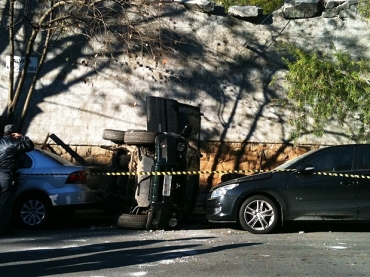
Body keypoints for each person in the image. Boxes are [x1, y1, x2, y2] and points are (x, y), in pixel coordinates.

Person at [0, 124, 34, 236]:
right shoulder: (14, 144)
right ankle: (3, 227)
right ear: (13, 133)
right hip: (6, 175)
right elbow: (30, 146)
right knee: (5, 203)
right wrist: (22, 137)